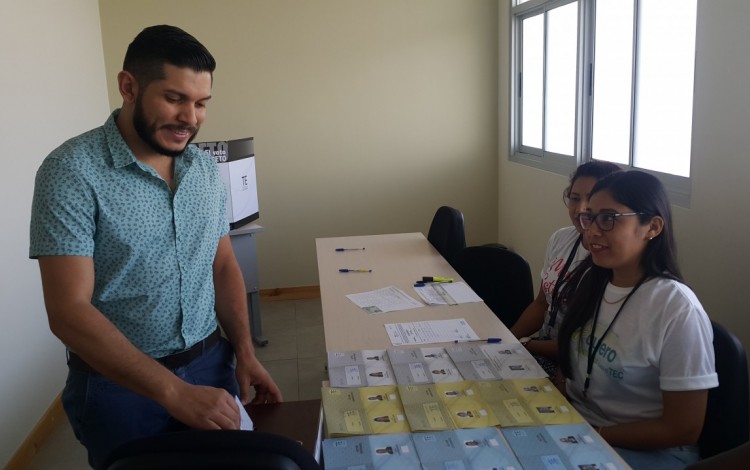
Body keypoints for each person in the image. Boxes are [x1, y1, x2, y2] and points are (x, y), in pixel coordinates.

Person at [29, 25, 282, 468]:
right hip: (116, 388)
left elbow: (221, 264)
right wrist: (173, 391)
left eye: (201, 103)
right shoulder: (71, 171)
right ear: (129, 87)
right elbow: (68, 310)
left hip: (211, 363)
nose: (191, 117)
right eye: (174, 98)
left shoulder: (203, 171)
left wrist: (244, 350)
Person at [556, 171, 717, 469]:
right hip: (583, 428)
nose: (591, 231)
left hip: (648, 453)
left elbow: (683, 428)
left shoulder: (676, 309)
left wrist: (595, 434)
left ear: (652, 227)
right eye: (589, 218)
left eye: (609, 218)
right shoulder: (593, 280)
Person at [510, 161, 620, 374]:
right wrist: (507, 340)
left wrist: (523, 344)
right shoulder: (561, 238)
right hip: (541, 347)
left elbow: (581, 348)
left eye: (590, 200)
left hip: (573, 366)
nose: (580, 209)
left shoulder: (608, 260)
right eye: (574, 198)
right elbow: (541, 304)